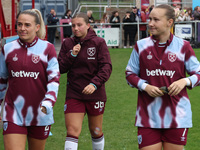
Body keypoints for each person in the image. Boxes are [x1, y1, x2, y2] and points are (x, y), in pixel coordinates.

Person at [125, 4, 200, 150]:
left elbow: (198, 73)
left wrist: (184, 81)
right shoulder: (140, 46)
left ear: (169, 22)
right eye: (150, 19)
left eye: (156, 20)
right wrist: (145, 86)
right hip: (147, 116)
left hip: (177, 116)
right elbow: (129, 74)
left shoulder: (183, 46)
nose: (150, 23)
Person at [0, 9, 60, 150]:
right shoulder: (7, 48)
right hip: (13, 113)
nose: (22, 28)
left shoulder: (48, 48)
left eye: (27, 25)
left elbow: (54, 79)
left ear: (37, 27)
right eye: (19, 24)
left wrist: (48, 102)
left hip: (40, 112)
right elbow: (1, 80)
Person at [58, 12, 112, 150]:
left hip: (95, 93)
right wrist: (72, 55)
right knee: (72, 131)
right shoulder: (67, 43)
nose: (75, 28)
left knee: (96, 131)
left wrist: (94, 84)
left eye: (79, 25)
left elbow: (106, 67)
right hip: (74, 93)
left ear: (88, 25)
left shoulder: (99, 42)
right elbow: (60, 68)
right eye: (73, 25)